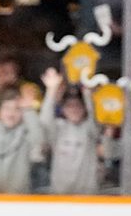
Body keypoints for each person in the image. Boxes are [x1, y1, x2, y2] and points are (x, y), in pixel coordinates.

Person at [38, 67, 106, 195]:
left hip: (87, 196)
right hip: (59, 196)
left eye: (78, 105)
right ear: (63, 109)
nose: (74, 109)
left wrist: (87, 93)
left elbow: (94, 117)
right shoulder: (58, 128)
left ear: (84, 108)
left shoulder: (90, 129)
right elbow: (45, 120)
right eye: (69, 105)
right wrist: (51, 90)